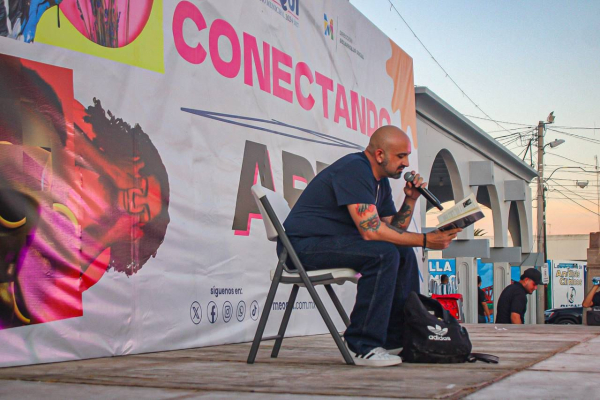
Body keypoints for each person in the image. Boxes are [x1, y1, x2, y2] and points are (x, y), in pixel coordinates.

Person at [0, 55, 170, 328]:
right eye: (143, 186)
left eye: (144, 210)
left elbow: (43, 289)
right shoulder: (86, 131)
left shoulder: (99, 259)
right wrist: (107, 167)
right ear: (135, 164)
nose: (136, 198)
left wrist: (108, 234)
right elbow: (37, 110)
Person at [281, 125, 461, 367]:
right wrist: (427, 240)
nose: (406, 163)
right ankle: (361, 345)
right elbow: (372, 230)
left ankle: (394, 339)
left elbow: (393, 229)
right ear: (379, 155)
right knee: (382, 254)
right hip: (300, 248)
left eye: (407, 156)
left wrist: (410, 199)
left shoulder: (379, 182)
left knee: (402, 251)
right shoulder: (354, 169)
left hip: (325, 244)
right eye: (401, 156)